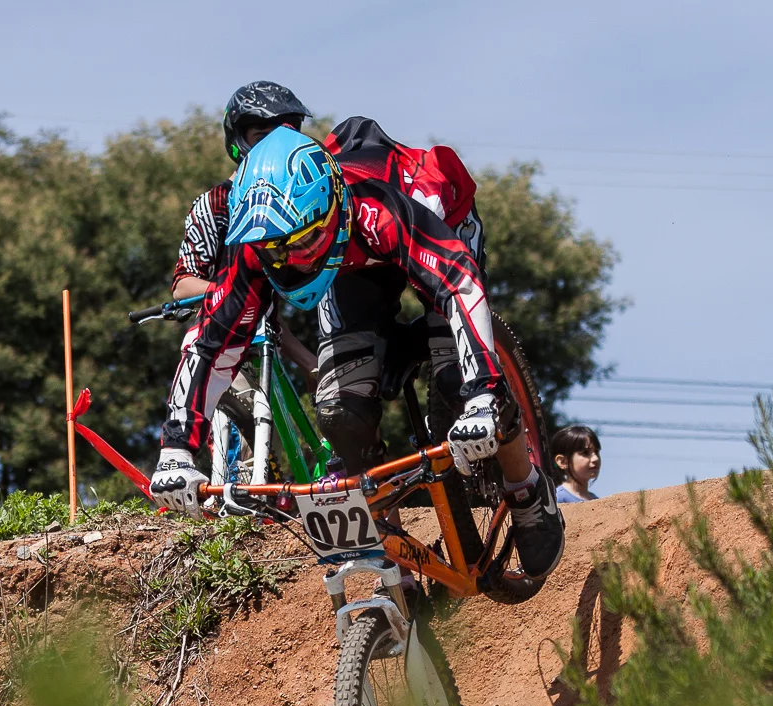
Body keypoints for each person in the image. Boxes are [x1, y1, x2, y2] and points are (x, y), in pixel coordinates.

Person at [150, 119, 565, 579]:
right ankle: (390, 553)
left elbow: (458, 286)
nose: (293, 262)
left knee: (458, 383)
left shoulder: (381, 208)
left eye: (304, 241)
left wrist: (483, 391)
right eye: (276, 250)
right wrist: (175, 451)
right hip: (349, 264)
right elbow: (210, 346)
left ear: (330, 210)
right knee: (341, 412)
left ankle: (526, 487)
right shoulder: (258, 248)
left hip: (435, 222)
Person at [170, 81, 319, 379]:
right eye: (262, 137)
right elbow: (183, 285)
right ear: (239, 140)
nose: (273, 147)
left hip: (270, 343)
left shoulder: (306, 201)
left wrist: (315, 367)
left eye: (283, 137)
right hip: (219, 339)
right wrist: (233, 294)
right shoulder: (215, 203)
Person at [551, 425, 602, 503]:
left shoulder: (596, 501)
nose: (596, 459)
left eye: (596, 452)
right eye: (585, 453)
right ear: (563, 462)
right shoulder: (557, 499)